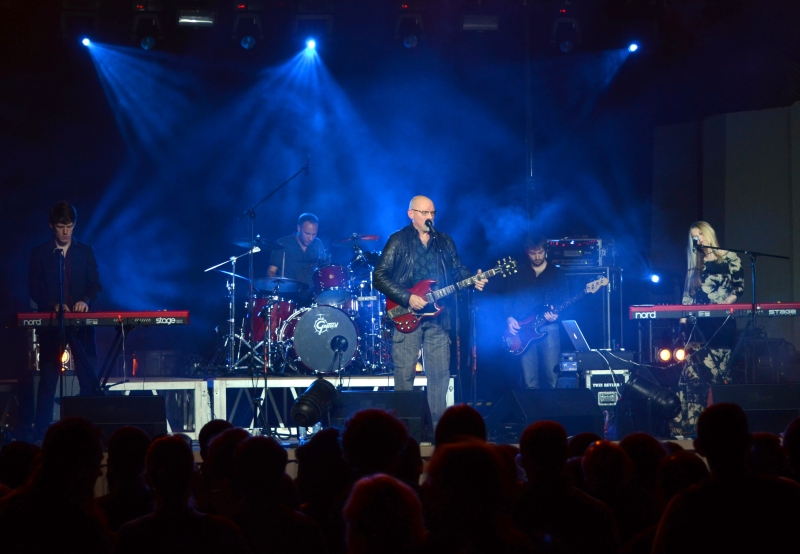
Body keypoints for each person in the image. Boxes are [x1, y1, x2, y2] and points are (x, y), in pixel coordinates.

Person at [373, 196, 486, 423]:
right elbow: (379, 276)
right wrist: (408, 297)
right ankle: (404, 432)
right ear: (411, 214)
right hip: (406, 314)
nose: (429, 218)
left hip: (439, 318)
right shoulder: (398, 240)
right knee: (404, 375)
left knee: (439, 377)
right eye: (424, 213)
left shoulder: (443, 242)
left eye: (433, 213)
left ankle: (438, 433)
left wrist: (473, 279)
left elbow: (456, 270)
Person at [28, 201, 102, 438]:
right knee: (48, 382)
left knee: (88, 379)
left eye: (69, 226)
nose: (65, 231)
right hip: (52, 325)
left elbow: (95, 284)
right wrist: (53, 304)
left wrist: (86, 301)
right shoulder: (40, 253)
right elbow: (34, 288)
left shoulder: (85, 251)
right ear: (52, 226)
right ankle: (40, 436)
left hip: (81, 325)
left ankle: (91, 434)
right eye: (61, 226)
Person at [673, 221, 744, 436]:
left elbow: (739, 288)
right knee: (691, 373)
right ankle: (694, 426)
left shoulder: (729, 257)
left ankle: (720, 426)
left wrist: (724, 305)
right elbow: (688, 295)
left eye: (700, 235)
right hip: (699, 327)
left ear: (708, 234)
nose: (698, 240)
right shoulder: (695, 264)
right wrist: (683, 320)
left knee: (718, 373)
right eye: (694, 237)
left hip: (721, 325)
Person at [504, 235, 568, 389]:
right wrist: (509, 318)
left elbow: (565, 300)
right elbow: (508, 299)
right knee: (529, 380)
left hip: (549, 327)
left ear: (546, 251)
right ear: (527, 252)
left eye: (540, 252)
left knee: (553, 377)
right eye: (533, 253)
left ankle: (553, 410)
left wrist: (557, 315)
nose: (537, 256)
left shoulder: (557, 274)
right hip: (524, 329)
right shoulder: (518, 273)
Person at [267, 212, 326, 286]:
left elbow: (323, 270)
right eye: (307, 233)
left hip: (312, 293)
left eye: (314, 234)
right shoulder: (283, 243)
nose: (311, 238)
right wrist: (281, 285)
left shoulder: (318, 244)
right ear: (299, 228)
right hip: (289, 292)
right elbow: (271, 271)